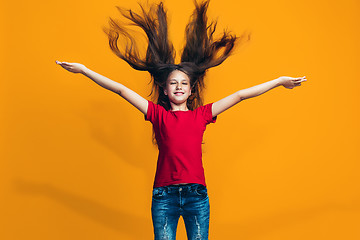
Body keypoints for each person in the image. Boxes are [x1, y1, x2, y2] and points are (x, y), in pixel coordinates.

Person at [55, 0, 307, 239]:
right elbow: (121, 90)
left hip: (197, 196)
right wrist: (85, 70)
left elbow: (240, 95)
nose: (178, 87)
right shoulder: (158, 115)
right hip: (163, 196)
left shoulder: (202, 115)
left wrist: (278, 82)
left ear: (191, 90)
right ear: (165, 90)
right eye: (173, 83)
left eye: (183, 83)